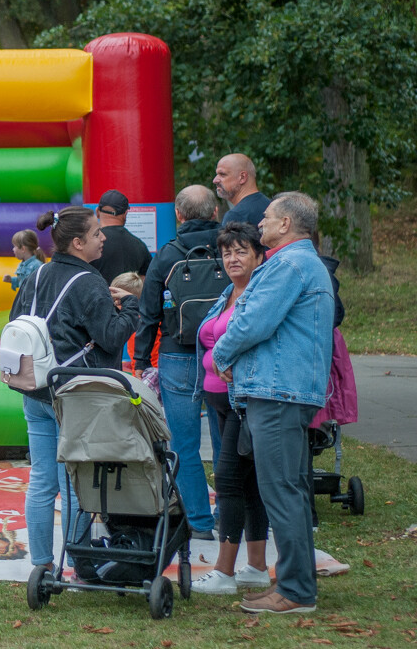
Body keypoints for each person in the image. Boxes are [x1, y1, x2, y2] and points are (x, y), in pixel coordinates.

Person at [213, 192, 334, 615]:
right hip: (281, 392)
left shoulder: (288, 265)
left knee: (281, 491)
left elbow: (253, 321)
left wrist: (222, 354)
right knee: (292, 490)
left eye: (266, 218)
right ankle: (295, 582)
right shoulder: (299, 263)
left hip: (278, 394)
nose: (260, 223)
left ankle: (297, 591)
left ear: (285, 225)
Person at [9, 206, 141, 572]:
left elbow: (16, 324)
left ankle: (42, 565)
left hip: (35, 388)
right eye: (98, 233)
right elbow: (112, 337)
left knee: (41, 480)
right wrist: (130, 307)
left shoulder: (35, 276)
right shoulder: (89, 282)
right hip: (73, 394)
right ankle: (80, 562)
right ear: (78, 243)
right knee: (74, 482)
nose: (103, 238)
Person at [133, 184, 221, 539]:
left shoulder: (168, 254)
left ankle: (200, 522)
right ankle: (234, 519)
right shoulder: (235, 248)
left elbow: (148, 312)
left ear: (178, 215)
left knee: (184, 443)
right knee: (227, 440)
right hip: (224, 354)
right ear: (215, 213)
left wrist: (140, 358)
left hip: (178, 353)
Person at [190, 222, 271, 595]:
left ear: (259, 254)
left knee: (227, 481)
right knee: (250, 484)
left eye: (241, 251)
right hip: (218, 403)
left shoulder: (258, 296)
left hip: (243, 402)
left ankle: (224, 572)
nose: (232, 258)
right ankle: (255, 566)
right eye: (226, 252)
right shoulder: (227, 293)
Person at [90, 189, 151, 283]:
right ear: (125, 214)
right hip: (129, 297)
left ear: (97, 212)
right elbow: (146, 279)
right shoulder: (139, 245)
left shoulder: (90, 244)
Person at [213, 153, 271, 226]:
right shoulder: (270, 205)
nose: (215, 180)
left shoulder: (236, 216)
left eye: (222, 174)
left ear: (242, 177)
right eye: (217, 175)